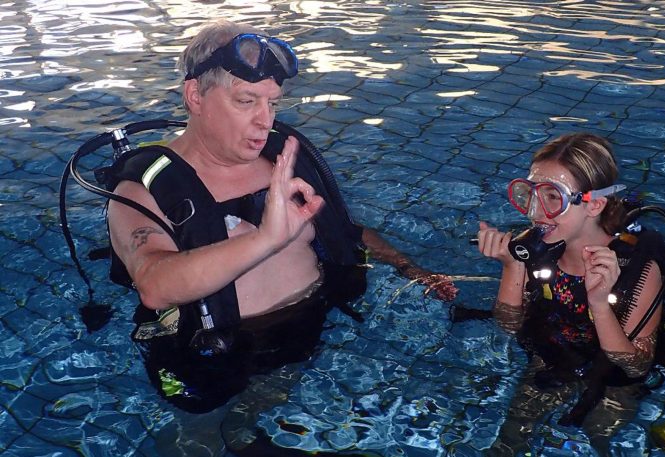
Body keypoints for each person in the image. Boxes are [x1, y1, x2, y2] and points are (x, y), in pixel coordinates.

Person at [104, 19, 456, 413]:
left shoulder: (281, 162)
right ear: (195, 96)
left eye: (272, 103)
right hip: (214, 352)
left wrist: (409, 268)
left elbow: (344, 231)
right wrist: (264, 239)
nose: (265, 120)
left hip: (316, 323)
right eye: (246, 101)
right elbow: (155, 282)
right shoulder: (140, 192)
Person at [476, 133, 665, 453]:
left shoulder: (639, 270)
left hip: (615, 373)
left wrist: (600, 304)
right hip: (557, 354)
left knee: (597, 437)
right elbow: (507, 326)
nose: (535, 211)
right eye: (530, 194)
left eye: (553, 197)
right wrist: (511, 265)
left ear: (593, 204)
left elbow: (635, 365)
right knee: (511, 434)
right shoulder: (534, 245)